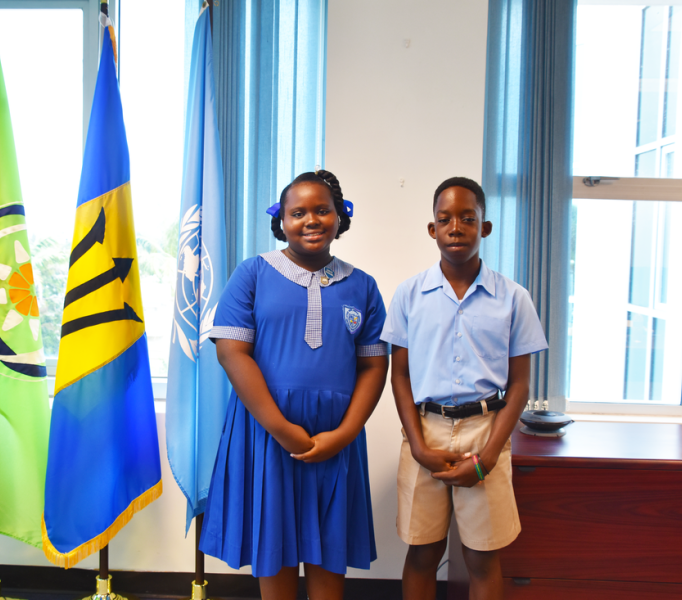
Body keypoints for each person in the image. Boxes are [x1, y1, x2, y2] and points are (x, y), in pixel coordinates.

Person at [199, 170, 389, 600]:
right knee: (275, 546)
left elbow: (373, 367)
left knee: (329, 551)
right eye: (298, 212)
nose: (311, 220)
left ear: (340, 217)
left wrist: (344, 433)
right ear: (281, 221)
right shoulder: (252, 274)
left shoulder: (363, 286)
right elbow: (231, 352)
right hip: (268, 435)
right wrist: (282, 429)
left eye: (323, 210)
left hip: (335, 438)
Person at [381, 177, 548, 600]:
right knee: (422, 553)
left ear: (485, 227)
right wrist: (418, 446)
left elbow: (520, 385)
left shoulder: (514, 298)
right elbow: (398, 375)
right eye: (445, 219)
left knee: (481, 558)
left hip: (485, 432)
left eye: (467, 218)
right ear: (432, 230)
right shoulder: (409, 294)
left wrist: (488, 456)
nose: (456, 227)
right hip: (426, 431)